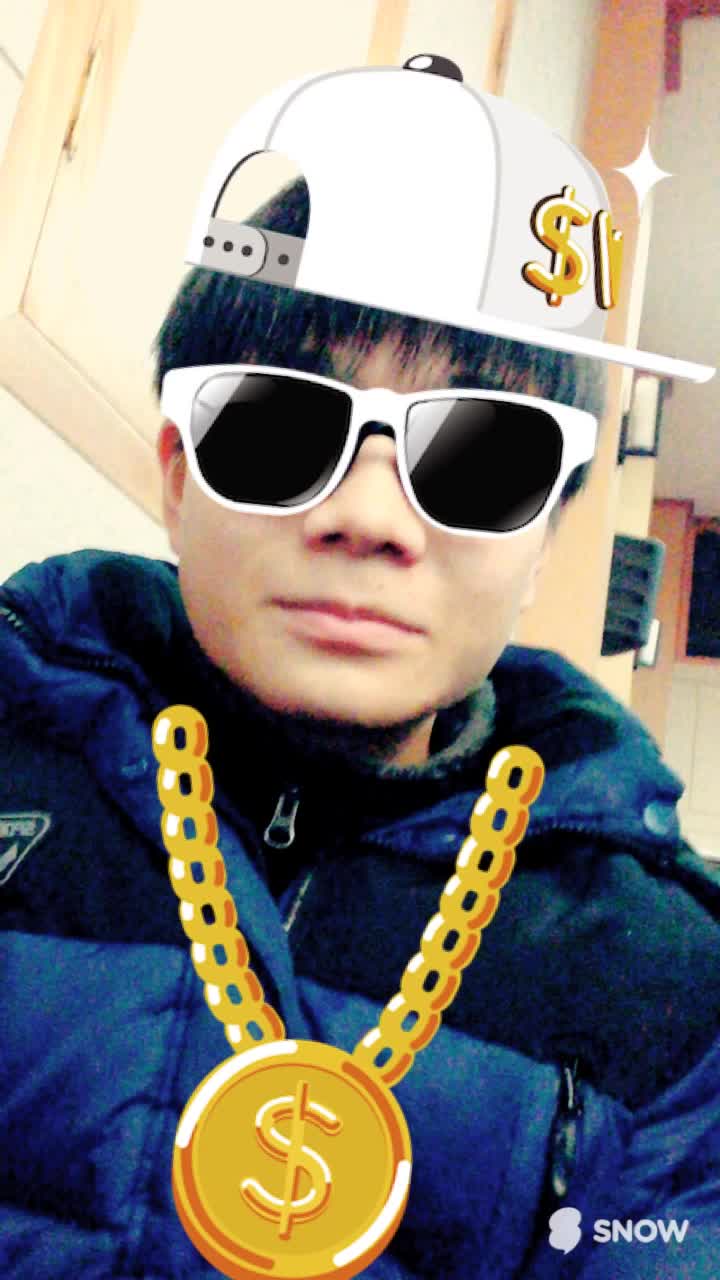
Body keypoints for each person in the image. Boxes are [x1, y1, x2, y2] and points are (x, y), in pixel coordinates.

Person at [1, 60, 719, 1280]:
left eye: (480, 456)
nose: (371, 517)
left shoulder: (673, 986)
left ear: (544, 539)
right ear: (177, 472)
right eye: (280, 423)